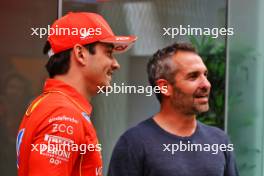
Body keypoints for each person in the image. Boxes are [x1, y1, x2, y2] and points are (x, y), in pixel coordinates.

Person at [16, 12, 137, 176]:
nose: (116, 64)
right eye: (109, 53)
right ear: (80, 54)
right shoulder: (63, 114)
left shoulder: (53, 105)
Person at [108, 43, 239, 176]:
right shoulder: (133, 143)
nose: (206, 84)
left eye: (205, 75)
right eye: (193, 76)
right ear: (164, 87)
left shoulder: (219, 140)